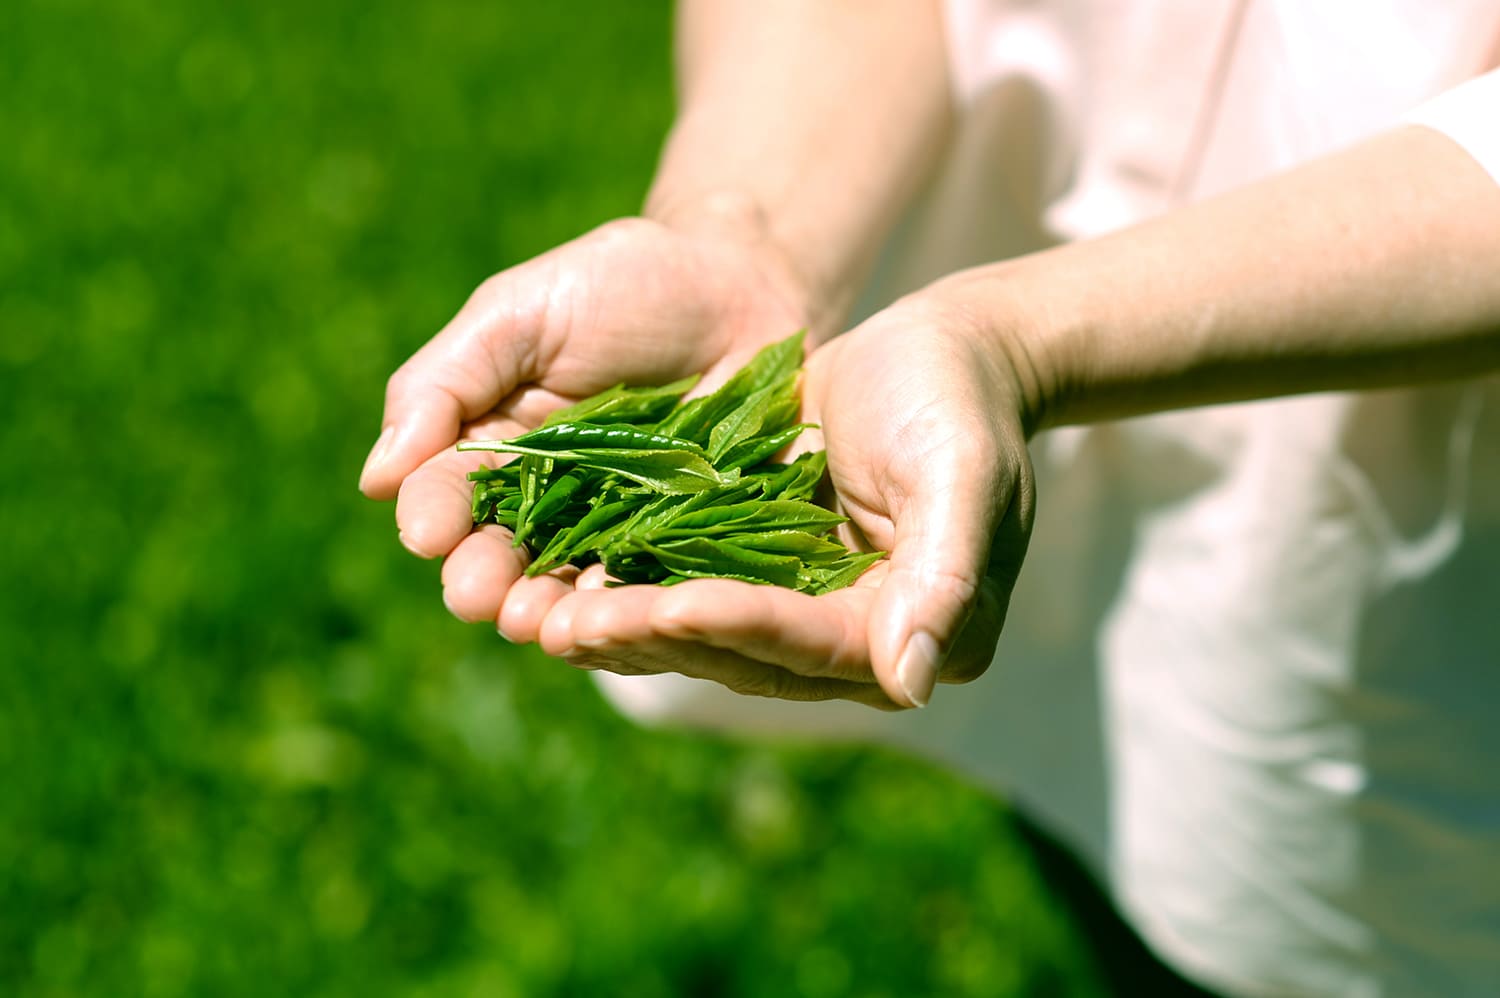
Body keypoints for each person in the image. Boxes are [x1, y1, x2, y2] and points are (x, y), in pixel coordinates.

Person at [359, 2, 1500, 993]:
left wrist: (1014, 341)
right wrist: (740, 231)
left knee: (1299, 889)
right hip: (951, 274)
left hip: (1397, 426)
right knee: (1089, 795)